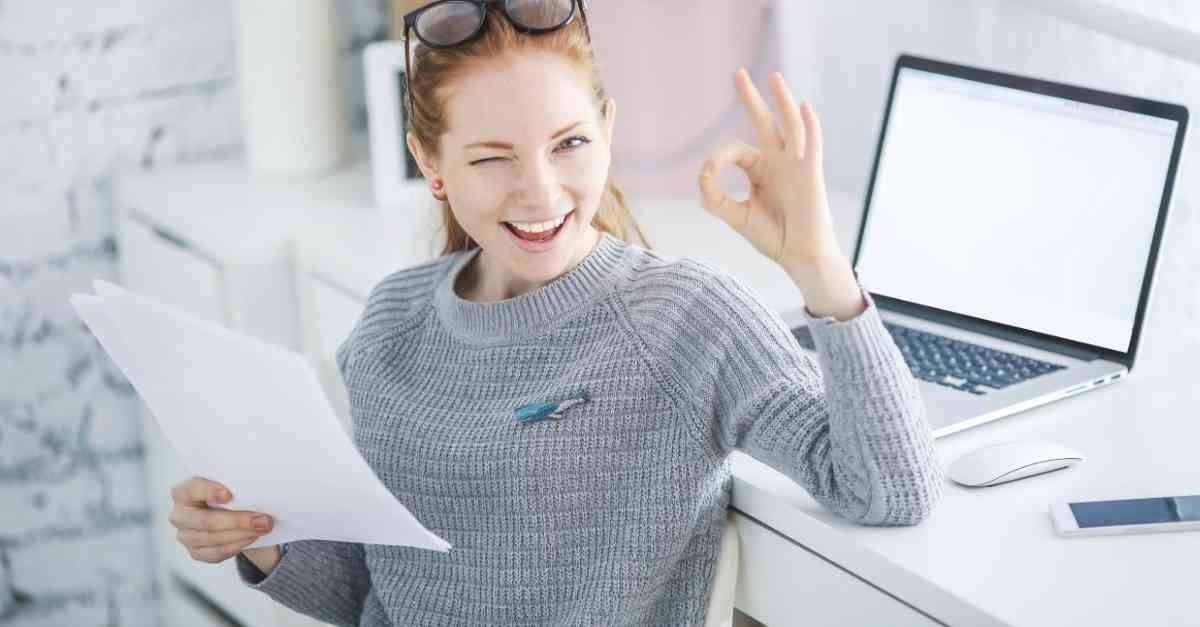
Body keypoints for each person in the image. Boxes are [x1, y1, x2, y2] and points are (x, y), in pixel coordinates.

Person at [166, 1, 944, 625]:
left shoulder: (682, 317)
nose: (539, 191)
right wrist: (260, 538)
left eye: (568, 143)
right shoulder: (390, 325)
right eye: (491, 157)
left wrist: (818, 264)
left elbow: (888, 486)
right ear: (431, 163)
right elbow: (377, 590)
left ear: (608, 128)